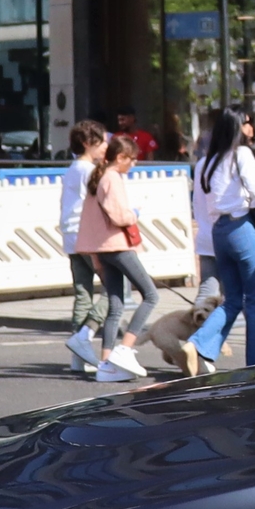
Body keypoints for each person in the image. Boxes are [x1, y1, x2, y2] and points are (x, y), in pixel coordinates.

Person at [188, 109, 255, 371]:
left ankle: (198, 344)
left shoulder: (207, 161)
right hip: (241, 228)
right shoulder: (241, 154)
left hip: (219, 232)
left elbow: (202, 202)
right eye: (247, 124)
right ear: (238, 128)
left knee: (232, 300)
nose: (250, 129)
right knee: (254, 299)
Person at [80, 140, 157, 382]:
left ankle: (106, 364)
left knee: (115, 305)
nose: (134, 164)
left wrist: (96, 258)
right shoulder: (112, 178)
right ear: (121, 157)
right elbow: (118, 216)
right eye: (132, 159)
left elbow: (91, 222)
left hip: (102, 249)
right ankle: (125, 348)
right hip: (118, 246)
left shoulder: (98, 177)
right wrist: (134, 213)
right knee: (151, 295)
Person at [59, 120, 110, 374]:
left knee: (83, 294)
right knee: (116, 288)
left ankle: (77, 358)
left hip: (70, 235)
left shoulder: (72, 168)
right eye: (102, 142)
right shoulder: (89, 171)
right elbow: (97, 205)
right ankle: (86, 335)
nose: (106, 147)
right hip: (87, 235)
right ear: (89, 143)